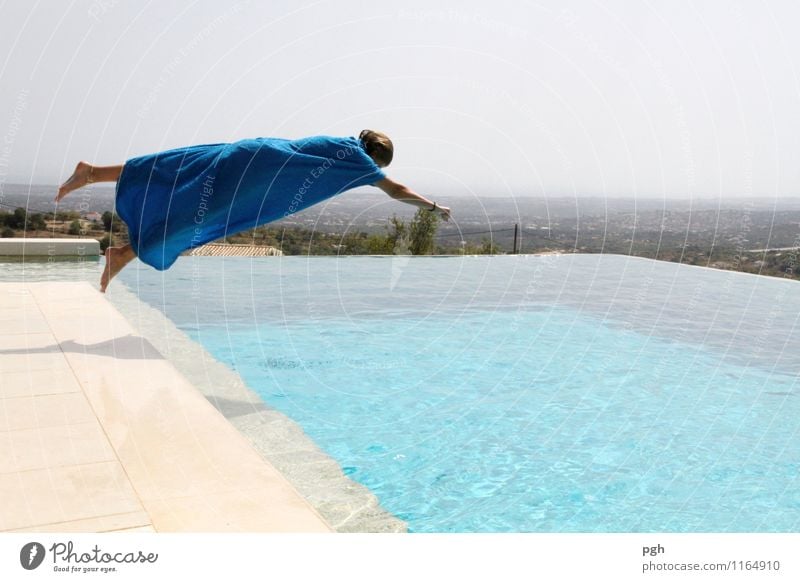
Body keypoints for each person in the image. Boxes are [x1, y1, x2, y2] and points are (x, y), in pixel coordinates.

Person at [56, 130, 451, 292]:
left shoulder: (342, 142)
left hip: (253, 154)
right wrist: (432, 207)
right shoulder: (361, 161)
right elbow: (396, 191)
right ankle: (124, 250)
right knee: (200, 218)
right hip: (256, 178)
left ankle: (99, 188)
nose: (375, 173)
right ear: (377, 157)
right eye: (379, 167)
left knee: (181, 171)